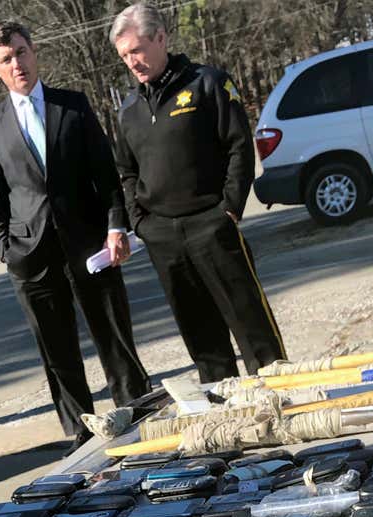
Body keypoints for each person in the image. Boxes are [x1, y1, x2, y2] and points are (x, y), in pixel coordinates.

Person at [0, 20, 151, 452]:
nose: (16, 63)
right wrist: (7, 251)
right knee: (57, 350)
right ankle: (80, 430)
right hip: (31, 255)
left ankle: (135, 408)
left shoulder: (72, 106)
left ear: (34, 52)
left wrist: (115, 226)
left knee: (112, 332)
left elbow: (106, 175)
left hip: (91, 243)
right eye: (5, 59)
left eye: (20, 52)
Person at [111, 2, 287, 384]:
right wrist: (141, 222)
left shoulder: (207, 83)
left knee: (251, 325)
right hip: (163, 237)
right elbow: (125, 171)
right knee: (201, 337)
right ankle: (223, 417)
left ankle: (277, 398)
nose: (132, 62)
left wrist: (229, 209)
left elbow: (239, 146)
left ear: (161, 38)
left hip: (212, 224)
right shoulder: (128, 110)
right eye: (125, 56)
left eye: (137, 50)